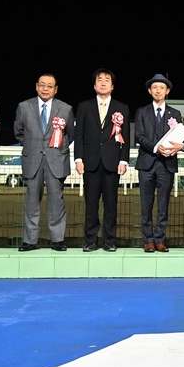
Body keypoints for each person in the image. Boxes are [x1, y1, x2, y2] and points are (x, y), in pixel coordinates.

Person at [14, 72, 75, 252]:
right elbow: (18, 132)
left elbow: (70, 135)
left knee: (57, 202)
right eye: (42, 85)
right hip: (32, 160)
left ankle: (57, 240)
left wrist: (55, 149)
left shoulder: (66, 109)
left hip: (56, 160)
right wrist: (33, 145)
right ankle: (30, 241)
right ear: (36, 86)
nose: (45, 89)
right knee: (31, 201)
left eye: (49, 86)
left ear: (56, 89)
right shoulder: (24, 107)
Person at [73, 68, 130, 253]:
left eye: (107, 80)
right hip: (90, 163)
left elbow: (126, 137)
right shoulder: (84, 106)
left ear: (112, 86)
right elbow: (79, 135)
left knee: (111, 205)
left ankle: (109, 241)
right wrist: (78, 158)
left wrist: (123, 161)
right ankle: (90, 240)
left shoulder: (122, 108)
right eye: (99, 79)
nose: (103, 82)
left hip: (112, 163)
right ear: (94, 85)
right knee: (91, 204)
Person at [135, 73, 184, 253]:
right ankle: (148, 240)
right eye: (155, 87)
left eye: (162, 87)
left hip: (167, 164)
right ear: (149, 90)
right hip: (146, 164)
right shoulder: (142, 112)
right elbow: (139, 136)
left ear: (167, 91)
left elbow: (182, 138)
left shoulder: (175, 114)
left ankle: (160, 239)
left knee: (163, 205)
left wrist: (182, 146)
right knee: (146, 204)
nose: (158, 90)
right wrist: (156, 147)